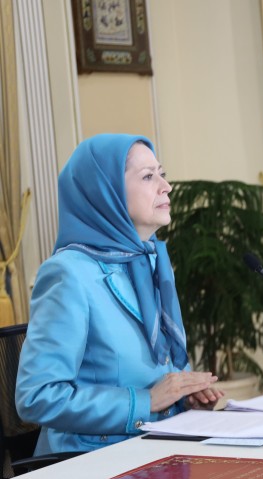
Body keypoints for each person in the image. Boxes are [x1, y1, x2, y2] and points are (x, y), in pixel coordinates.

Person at [16, 134, 223, 455]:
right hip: (89, 462)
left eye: (162, 173)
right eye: (148, 176)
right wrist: (146, 401)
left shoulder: (150, 261)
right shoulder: (68, 273)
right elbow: (37, 396)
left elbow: (159, 367)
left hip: (157, 447)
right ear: (106, 191)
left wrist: (186, 393)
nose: (166, 186)